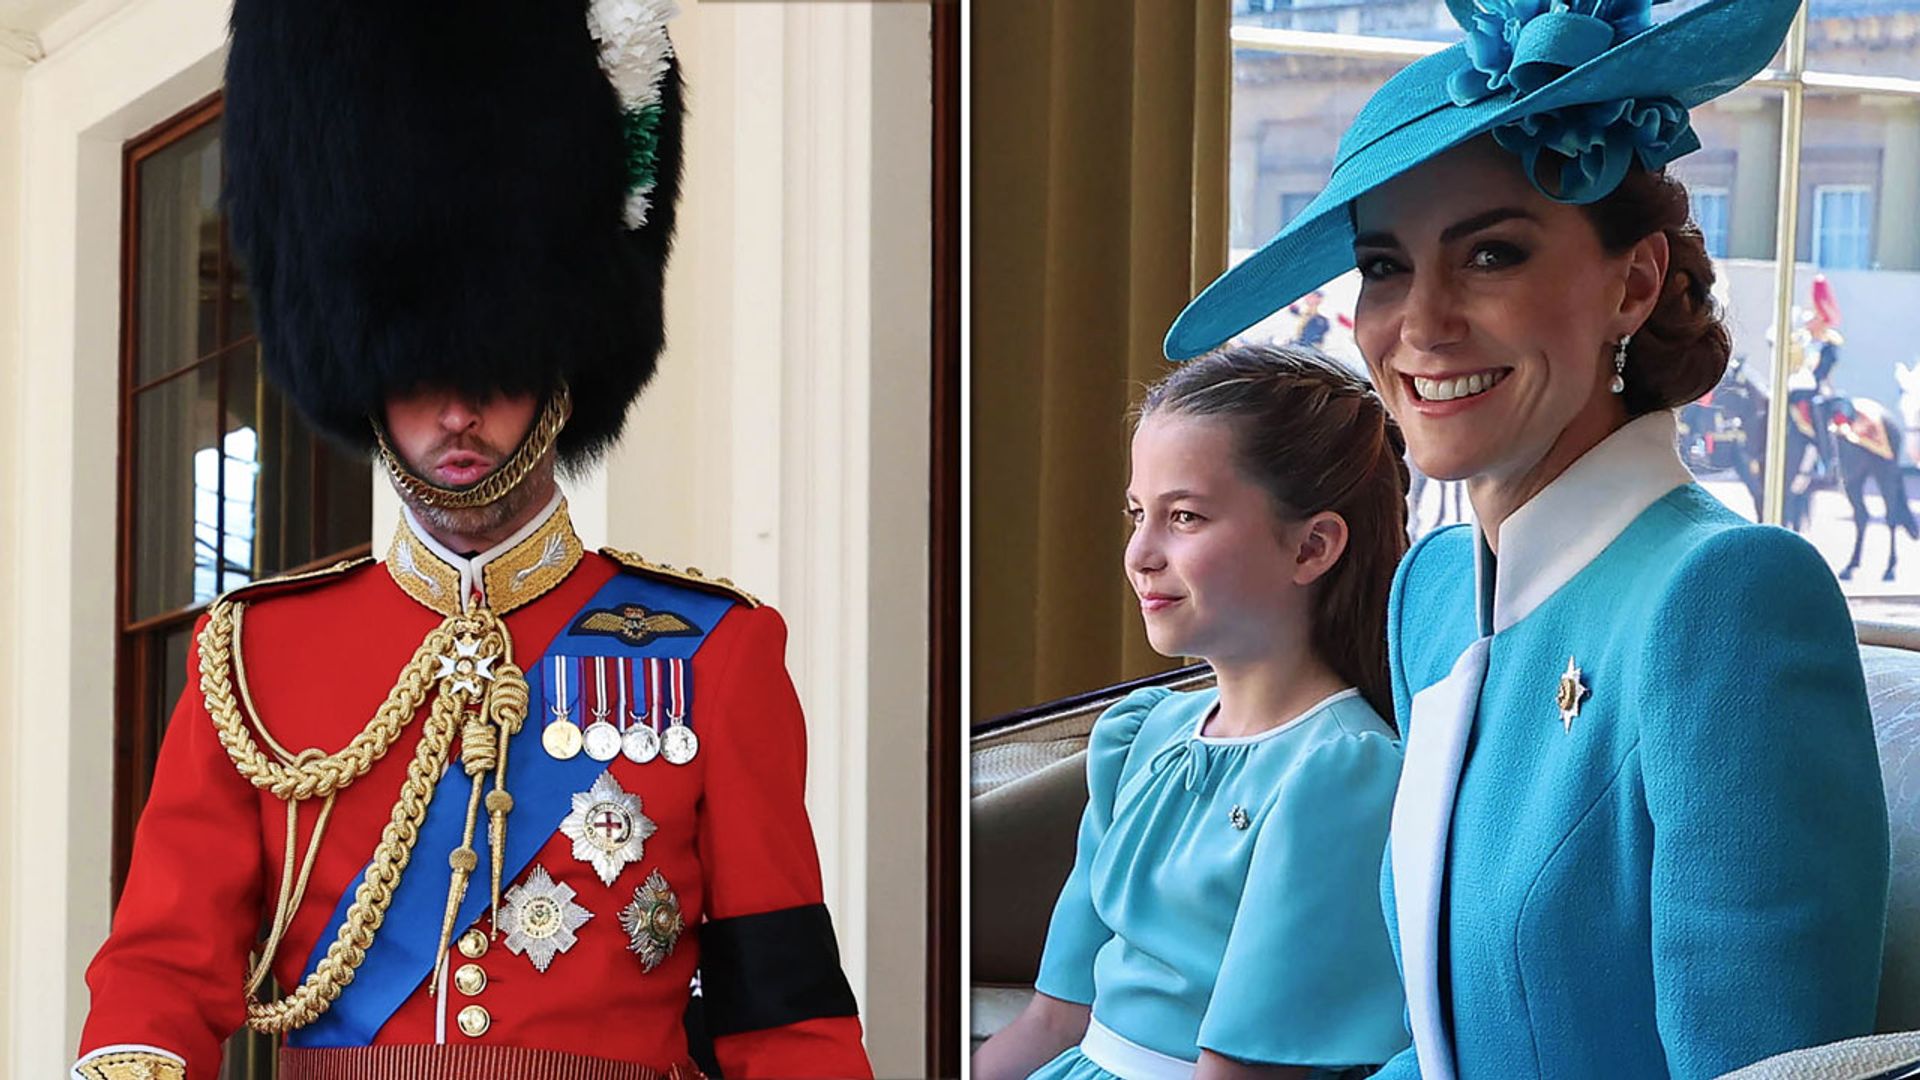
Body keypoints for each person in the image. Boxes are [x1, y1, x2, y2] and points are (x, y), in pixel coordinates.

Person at [71, 4, 871, 1079]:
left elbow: (779, 1007)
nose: (456, 416)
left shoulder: (713, 652)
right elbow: (161, 970)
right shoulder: (251, 657)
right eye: (417, 375)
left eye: (493, 370)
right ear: (365, 380)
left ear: (559, 368)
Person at [1165, 1, 1890, 1077]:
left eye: (1492, 255)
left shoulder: (1729, 598)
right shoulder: (1435, 594)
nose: (1420, 324)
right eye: (1383, 266)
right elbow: (1443, 1030)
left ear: (1632, 284)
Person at [973, 345, 1411, 1080]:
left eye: (1184, 517)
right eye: (1138, 513)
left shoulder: (1342, 776)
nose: (1140, 552)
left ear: (1312, 546)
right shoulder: (1139, 737)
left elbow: (1239, 1070)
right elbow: (1055, 1017)